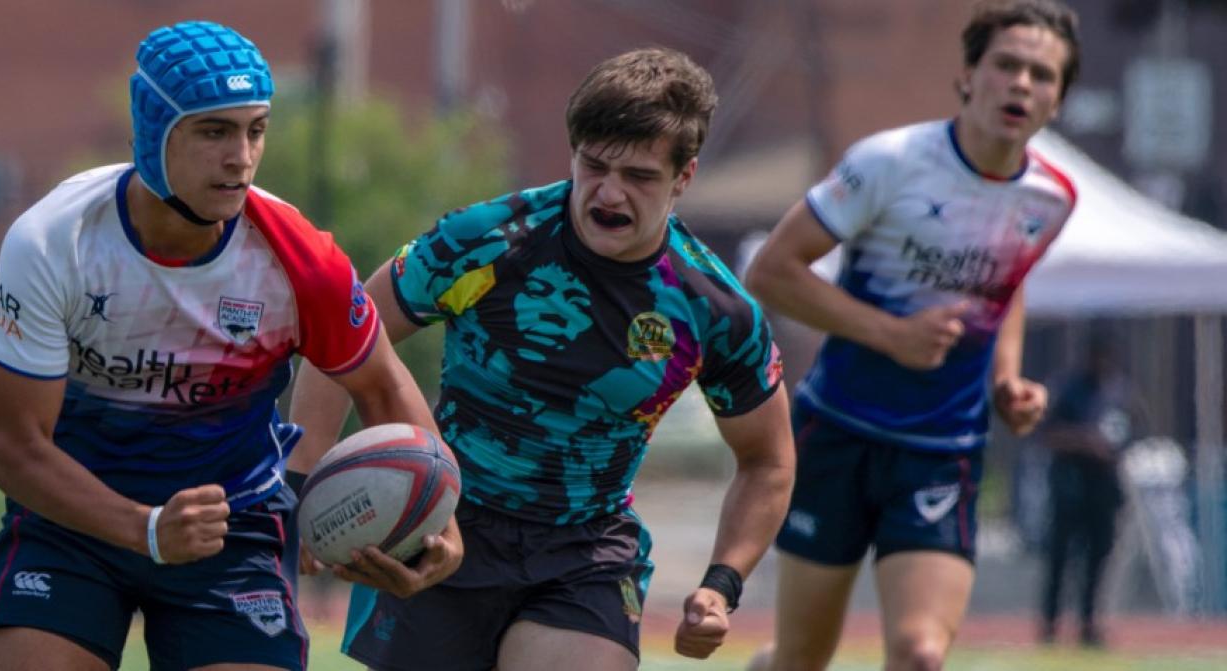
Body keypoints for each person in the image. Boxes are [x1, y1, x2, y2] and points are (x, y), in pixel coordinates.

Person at [288, 47, 795, 670]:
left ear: (683, 177)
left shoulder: (714, 308)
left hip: (586, 551)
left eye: (638, 176)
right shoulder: (488, 241)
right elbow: (343, 333)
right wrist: (299, 480)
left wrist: (722, 583)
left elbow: (768, 460)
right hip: (443, 527)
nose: (608, 193)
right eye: (594, 165)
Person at [0, 21, 460, 671]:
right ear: (155, 132)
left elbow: (380, 383)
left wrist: (439, 520)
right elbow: (15, 448)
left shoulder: (298, 257)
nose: (241, 156)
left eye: (255, 129)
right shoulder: (50, 243)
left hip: (232, 533)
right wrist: (147, 529)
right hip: (72, 526)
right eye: (214, 131)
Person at [743, 1, 1080, 669]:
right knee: (801, 660)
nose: (1020, 84)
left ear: (1058, 102)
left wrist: (1007, 377)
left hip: (941, 446)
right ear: (967, 75)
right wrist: (892, 334)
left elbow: (1005, 287)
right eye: (1005, 65)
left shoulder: (1053, 198)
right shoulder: (888, 162)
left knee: (920, 653)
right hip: (837, 429)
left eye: (1041, 75)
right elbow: (770, 272)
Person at [1038, 331, 1139, 648]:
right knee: (1061, 557)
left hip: (1105, 490)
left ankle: (1090, 623)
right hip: (1070, 486)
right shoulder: (1068, 389)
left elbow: (1132, 433)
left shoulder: (1120, 392)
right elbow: (1047, 433)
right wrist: (1084, 441)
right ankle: (1051, 623)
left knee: (1099, 558)